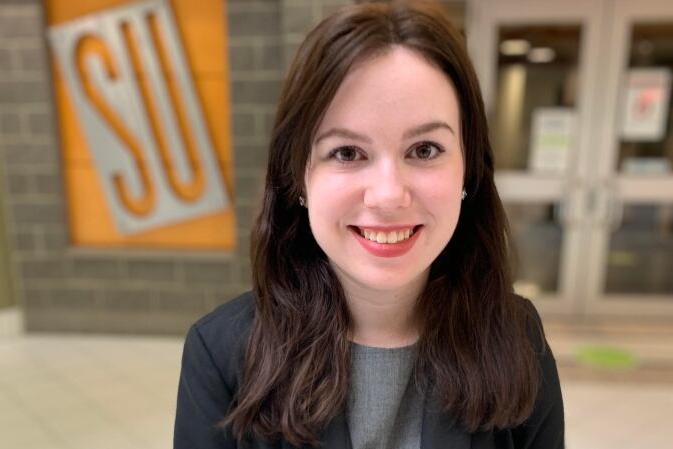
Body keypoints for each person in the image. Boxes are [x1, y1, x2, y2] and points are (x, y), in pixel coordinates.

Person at [173, 1, 565, 448]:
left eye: (424, 150)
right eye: (346, 153)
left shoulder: (517, 338)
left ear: (468, 171)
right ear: (299, 177)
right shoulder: (222, 354)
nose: (388, 195)